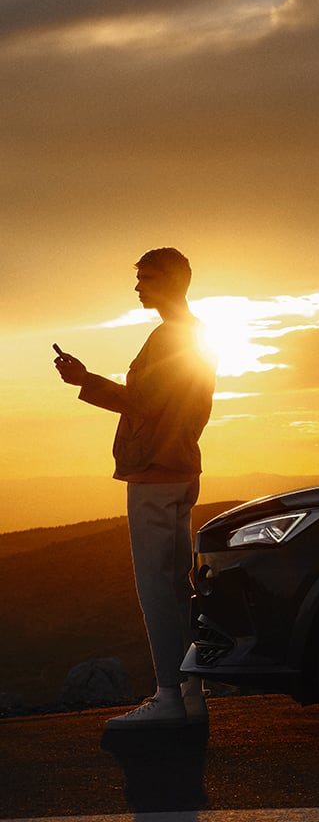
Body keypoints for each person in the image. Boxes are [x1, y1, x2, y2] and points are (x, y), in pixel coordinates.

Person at [54, 248, 215, 730]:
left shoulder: (173, 337)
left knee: (158, 590)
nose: (138, 287)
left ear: (172, 282)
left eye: (146, 278)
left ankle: (169, 697)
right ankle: (189, 694)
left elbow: (145, 403)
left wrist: (85, 380)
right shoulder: (191, 334)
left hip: (157, 475)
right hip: (174, 470)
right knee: (174, 588)